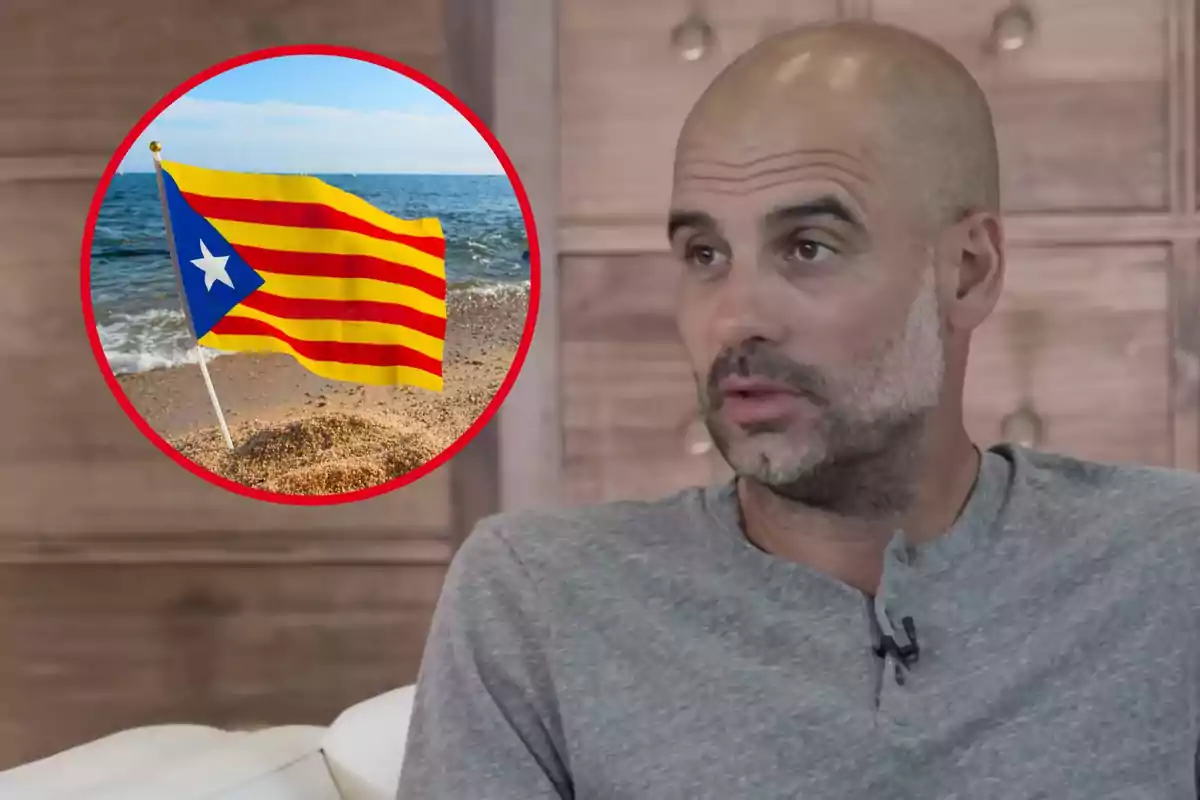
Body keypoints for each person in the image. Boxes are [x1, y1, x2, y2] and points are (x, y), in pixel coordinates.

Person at [397, 21, 1199, 799]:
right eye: (705, 256)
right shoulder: (540, 598)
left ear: (966, 272)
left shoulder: (1170, 565)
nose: (736, 317)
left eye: (808, 246)